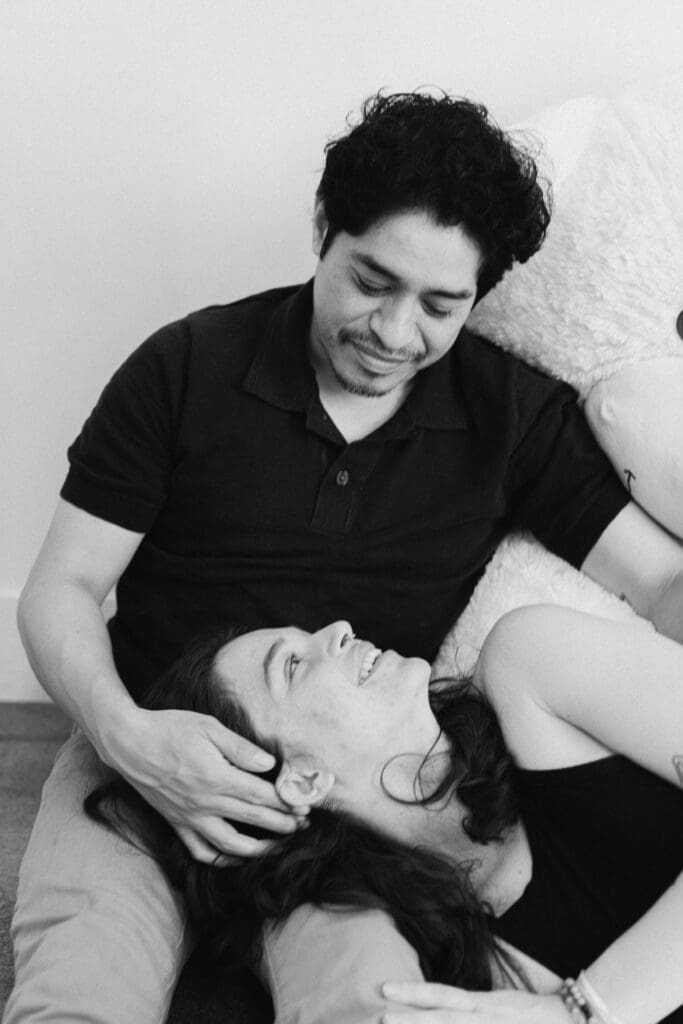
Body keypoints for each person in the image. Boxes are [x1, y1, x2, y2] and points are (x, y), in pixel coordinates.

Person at [7, 90, 683, 1024]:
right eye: (371, 282)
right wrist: (128, 736)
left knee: (372, 993)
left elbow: (658, 580)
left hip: (342, 792)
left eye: (441, 305)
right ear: (325, 229)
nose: (395, 334)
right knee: (83, 968)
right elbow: (61, 589)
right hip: (147, 721)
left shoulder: (508, 413)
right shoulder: (188, 365)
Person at [86, 610, 683, 1024]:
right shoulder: (439, 968)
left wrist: (587, 1008)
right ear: (302, 780)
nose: (338, 629)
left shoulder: (532, 662)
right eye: (292, 666)